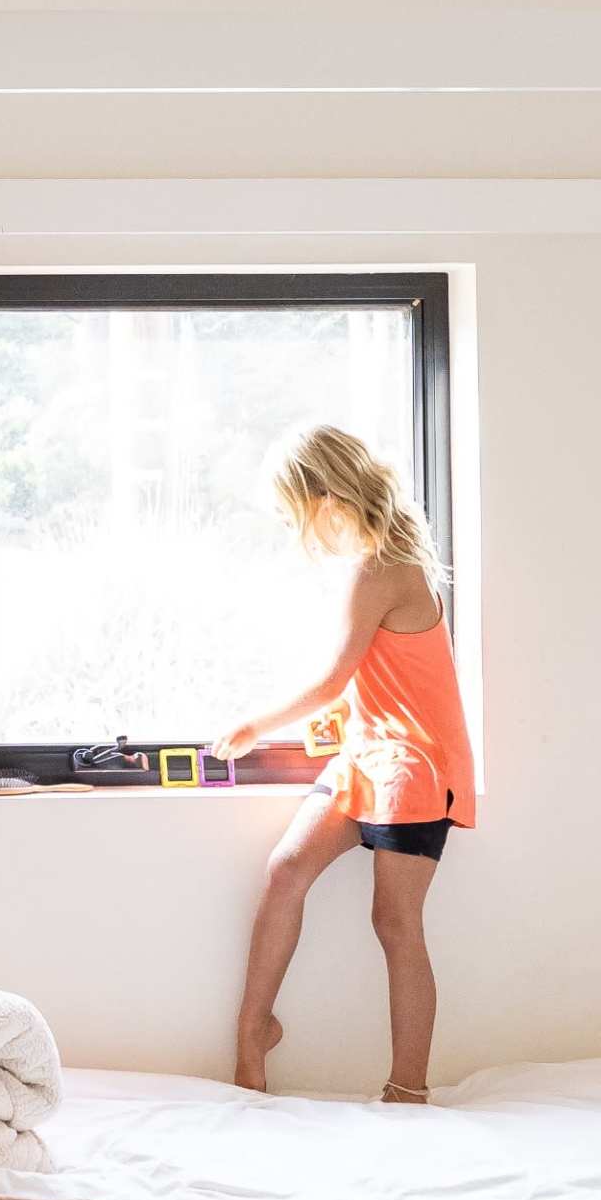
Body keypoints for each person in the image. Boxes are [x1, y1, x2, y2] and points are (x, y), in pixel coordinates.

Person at [219, 424, 473, 1102]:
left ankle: (408, 1089)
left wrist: (255, 724)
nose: (294, 529)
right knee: (286, 869)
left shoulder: (381, 567)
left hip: (411, 767)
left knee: (395, 923)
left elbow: (333, 678)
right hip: (369, 754)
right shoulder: (372, 562)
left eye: (292, 512)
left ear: (325, 498)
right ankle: (254, 1030)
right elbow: (378, 679)